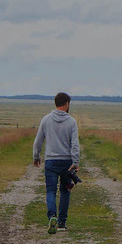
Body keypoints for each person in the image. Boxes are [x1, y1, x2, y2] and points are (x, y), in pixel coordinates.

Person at [33, 92, 80, 234]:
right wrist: (76, 161)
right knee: (65, 191)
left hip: (51, 161)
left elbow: (38, 140)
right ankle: (61, 223)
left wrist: (36, 156)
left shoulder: (46, 120)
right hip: (67, 162)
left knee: (51, 191)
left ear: (56, 103)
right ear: (66, 104)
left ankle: (52, 216)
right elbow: (75, 144)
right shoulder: (71, 122)